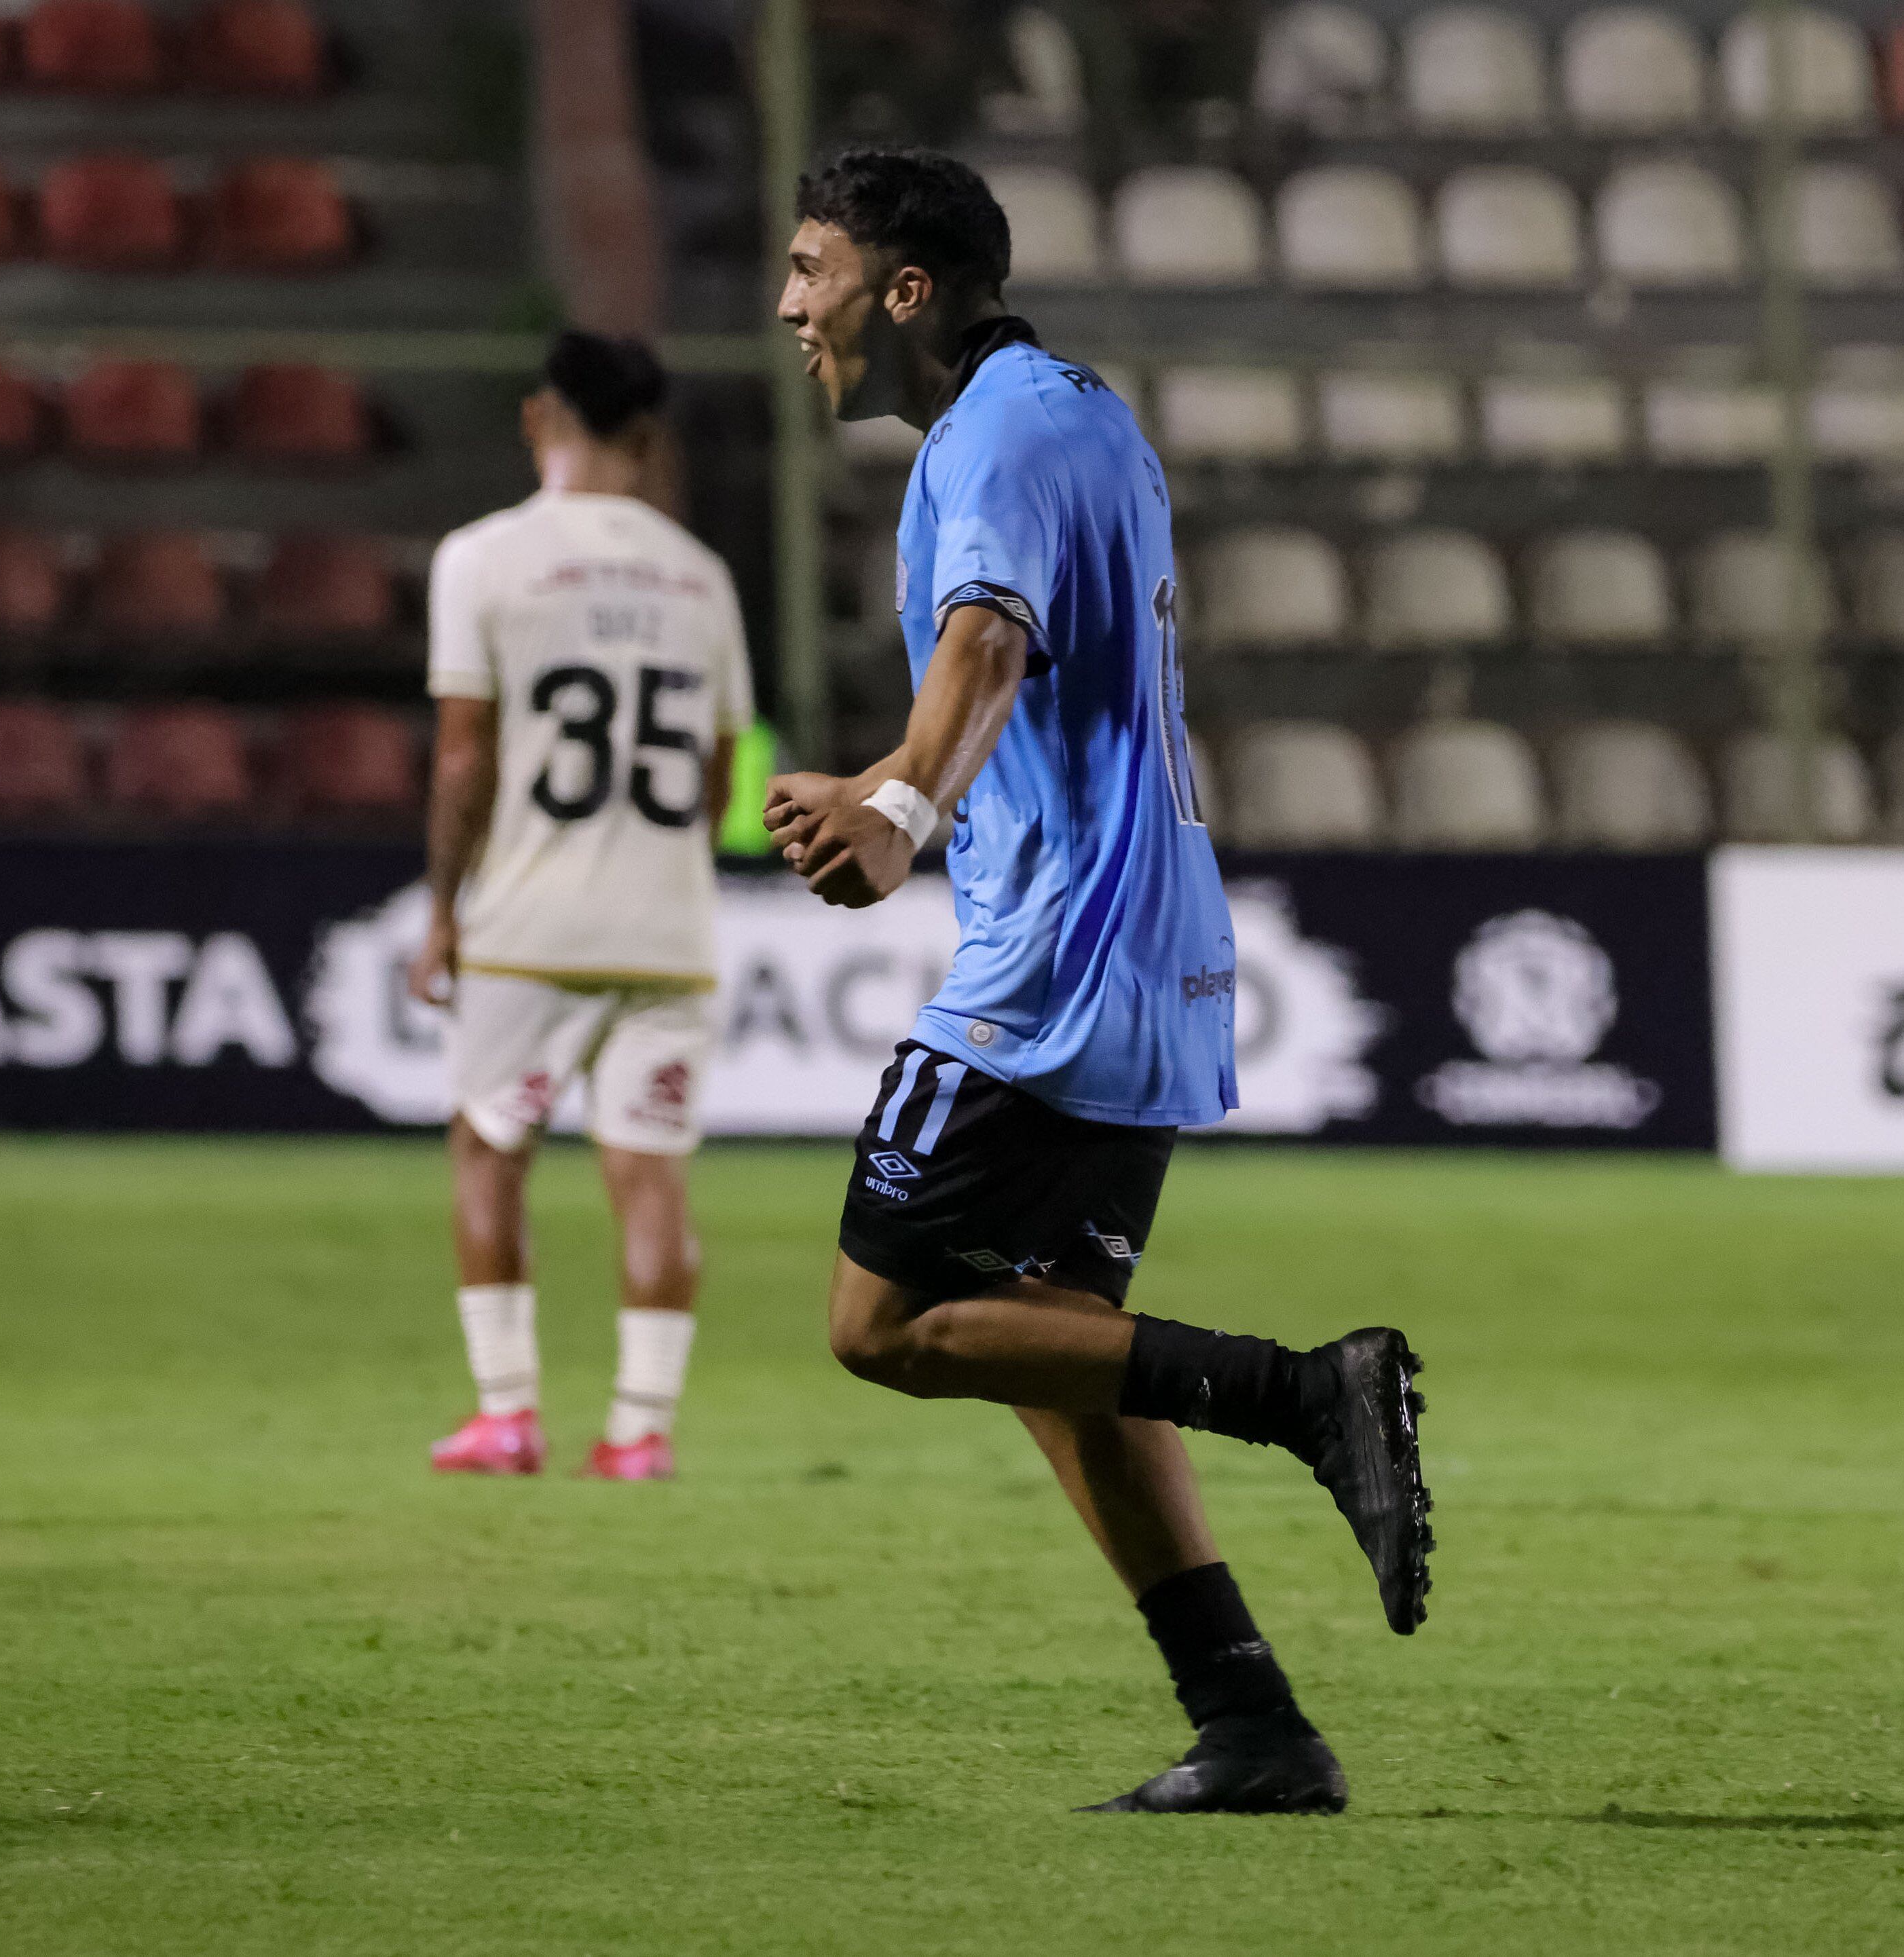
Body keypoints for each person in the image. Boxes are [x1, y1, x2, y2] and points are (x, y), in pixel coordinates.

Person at [770, 149, 1432, 1813]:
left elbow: (988, 641)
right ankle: (1253, 1724)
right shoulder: (1066, 410)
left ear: (900, 290)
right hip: (1138, 939)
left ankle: (1301, 1391)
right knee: (1049, 1343)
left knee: (886, 1325)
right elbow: (1041, 680)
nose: (787, 307)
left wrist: (902, 812)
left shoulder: (992, 436)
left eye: (807, 271)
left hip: (1050, 957)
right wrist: (886, 775)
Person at [407, 331, 753, 1483]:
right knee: (650, 1175)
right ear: (649, 438)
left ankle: (507, 1416)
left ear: (535, 417)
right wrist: (667, 872)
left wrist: (444, 910)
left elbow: (465, 759)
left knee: (488, 1151)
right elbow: (719, 767)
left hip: (528, 928)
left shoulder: (482, 559)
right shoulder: (702, 577)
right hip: (668, 930)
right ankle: (640, 1431)